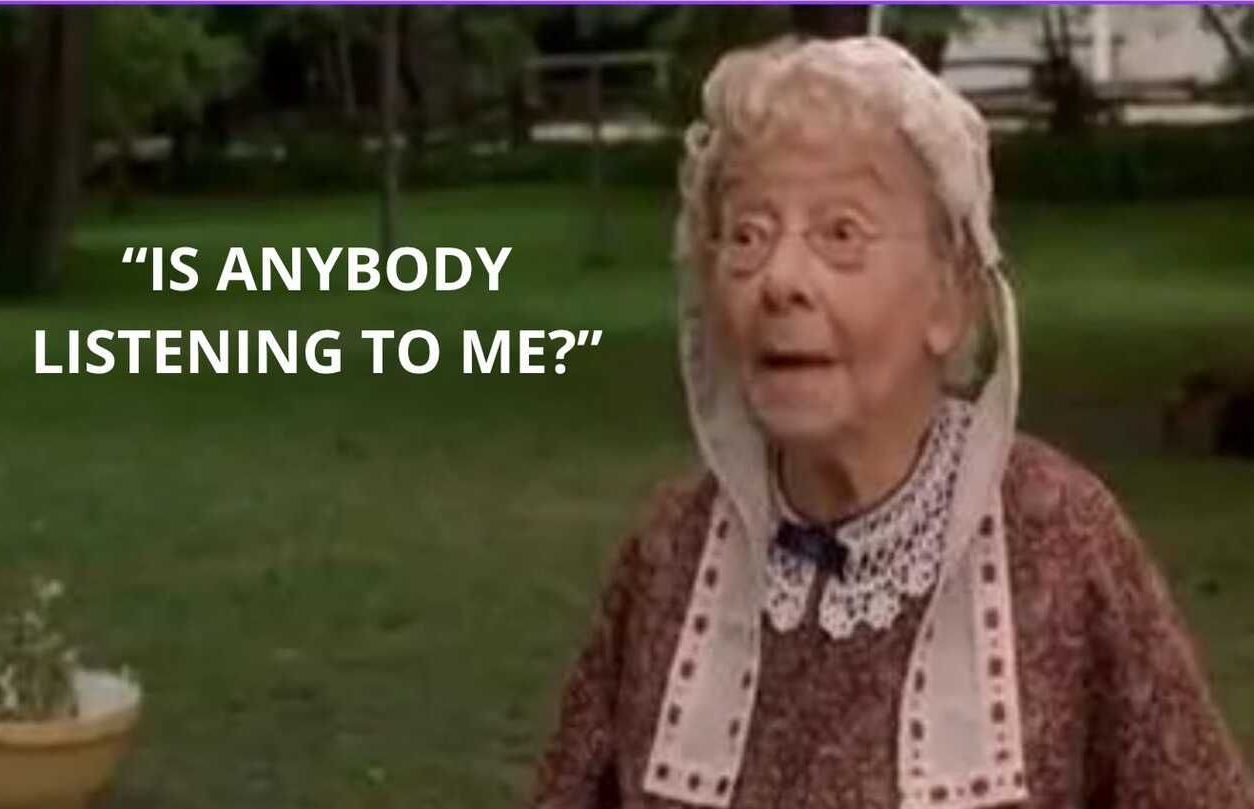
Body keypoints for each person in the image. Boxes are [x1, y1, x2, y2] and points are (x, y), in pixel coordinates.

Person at [530, 35, 1254, 809]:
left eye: (841, 233)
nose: (779, 279)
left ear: (952, 298)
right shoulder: (670, 553)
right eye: (747, 236)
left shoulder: (1058, 539)